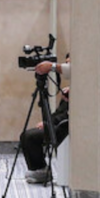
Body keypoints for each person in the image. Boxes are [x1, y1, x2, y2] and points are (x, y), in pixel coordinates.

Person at [22, 56, 69, 184]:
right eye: (67, 63)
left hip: (65, 128)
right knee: (27, 135)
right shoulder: (69, 91)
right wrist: (48, 122)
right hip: (58, 123)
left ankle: (41, 171)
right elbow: (60, 112)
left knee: (30, 137)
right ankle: (40, 169)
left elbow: (68, 116)